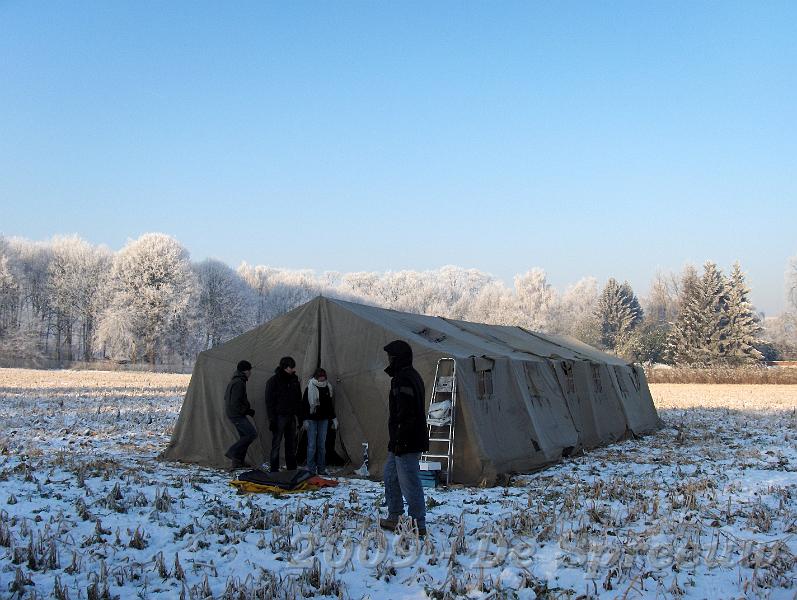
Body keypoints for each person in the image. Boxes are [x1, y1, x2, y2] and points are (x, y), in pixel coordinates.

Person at [379, 340, 429, 536]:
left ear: (397, 358)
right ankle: (395, 517)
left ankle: (419, 523)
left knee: (410, 482)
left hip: (406, 440)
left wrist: (401, 439)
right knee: (390, 477)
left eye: (390, 356)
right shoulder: (406, 376)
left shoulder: (404, 379)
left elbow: (406, 413)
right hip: (400, 440)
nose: (388, 360)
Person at [265, 356, 302, 472]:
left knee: (290, 444)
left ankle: (291, 468)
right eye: (291, 367)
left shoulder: (294, 381)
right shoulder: (273, 381)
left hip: (291, 416)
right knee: (276, 443)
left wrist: (299, 416)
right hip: (279, 416)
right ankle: (274, 469)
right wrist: (272, 419)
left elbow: (298, 399)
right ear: (286, 367)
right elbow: (269, 401)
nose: (293, 369)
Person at [300, 367, 338, 475]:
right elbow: (305, 405)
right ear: (316, 377)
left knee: (322, 444)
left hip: (324, 419)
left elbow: (329, 405)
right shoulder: (310, 387)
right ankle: (311, 469)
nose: (322, 379)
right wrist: (305, 419)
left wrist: (333, 418)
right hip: (312, 419)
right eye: (320, 377)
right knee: (312, 445)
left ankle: (321, 468)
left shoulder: (327, 387)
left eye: (323, 377)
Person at [223, 360, 257, 470]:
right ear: (245, 371)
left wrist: (246, 410)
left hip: (235, 413)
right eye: (249, 370)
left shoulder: (237, 381)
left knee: (244, 437)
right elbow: (235, 402)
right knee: (251, 434)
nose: (250, 372)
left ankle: (238, 462)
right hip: (236, 414)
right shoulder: (238, 382)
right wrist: (246, 411)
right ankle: (232, 452)